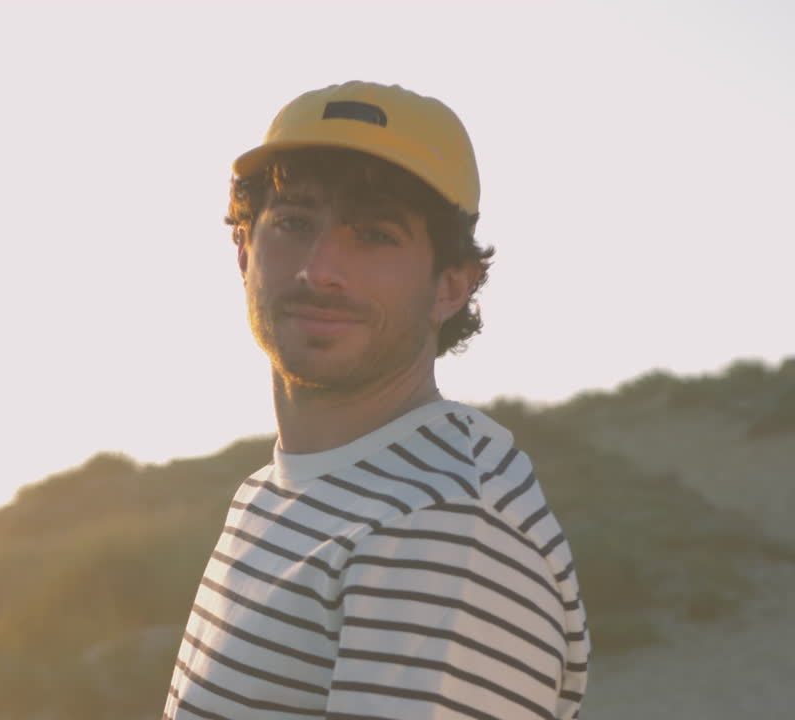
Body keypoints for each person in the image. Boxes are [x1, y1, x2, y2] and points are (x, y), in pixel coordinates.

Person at [163, 81, 589, 720]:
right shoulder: (269, 492)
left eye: (376, 235)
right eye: (295, 223)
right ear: (244, 248)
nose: (320, 268)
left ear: (451, 285)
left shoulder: (442, 525)